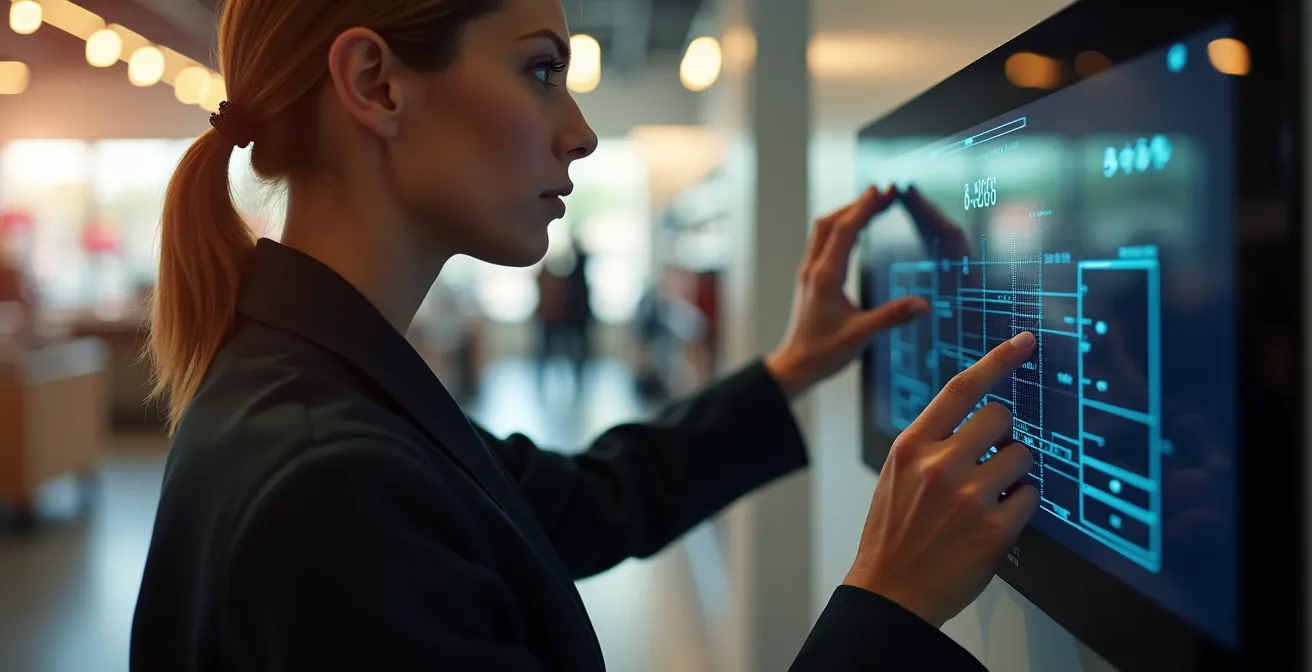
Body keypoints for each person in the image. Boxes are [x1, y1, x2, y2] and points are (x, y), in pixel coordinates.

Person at [128, 0, 1040, 670]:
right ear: (375, 83)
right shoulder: (328, 481)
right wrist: (888, 600)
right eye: (540, 70)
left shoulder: (321, 385)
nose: (583, 134)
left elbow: (583, 501)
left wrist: (795, 364)